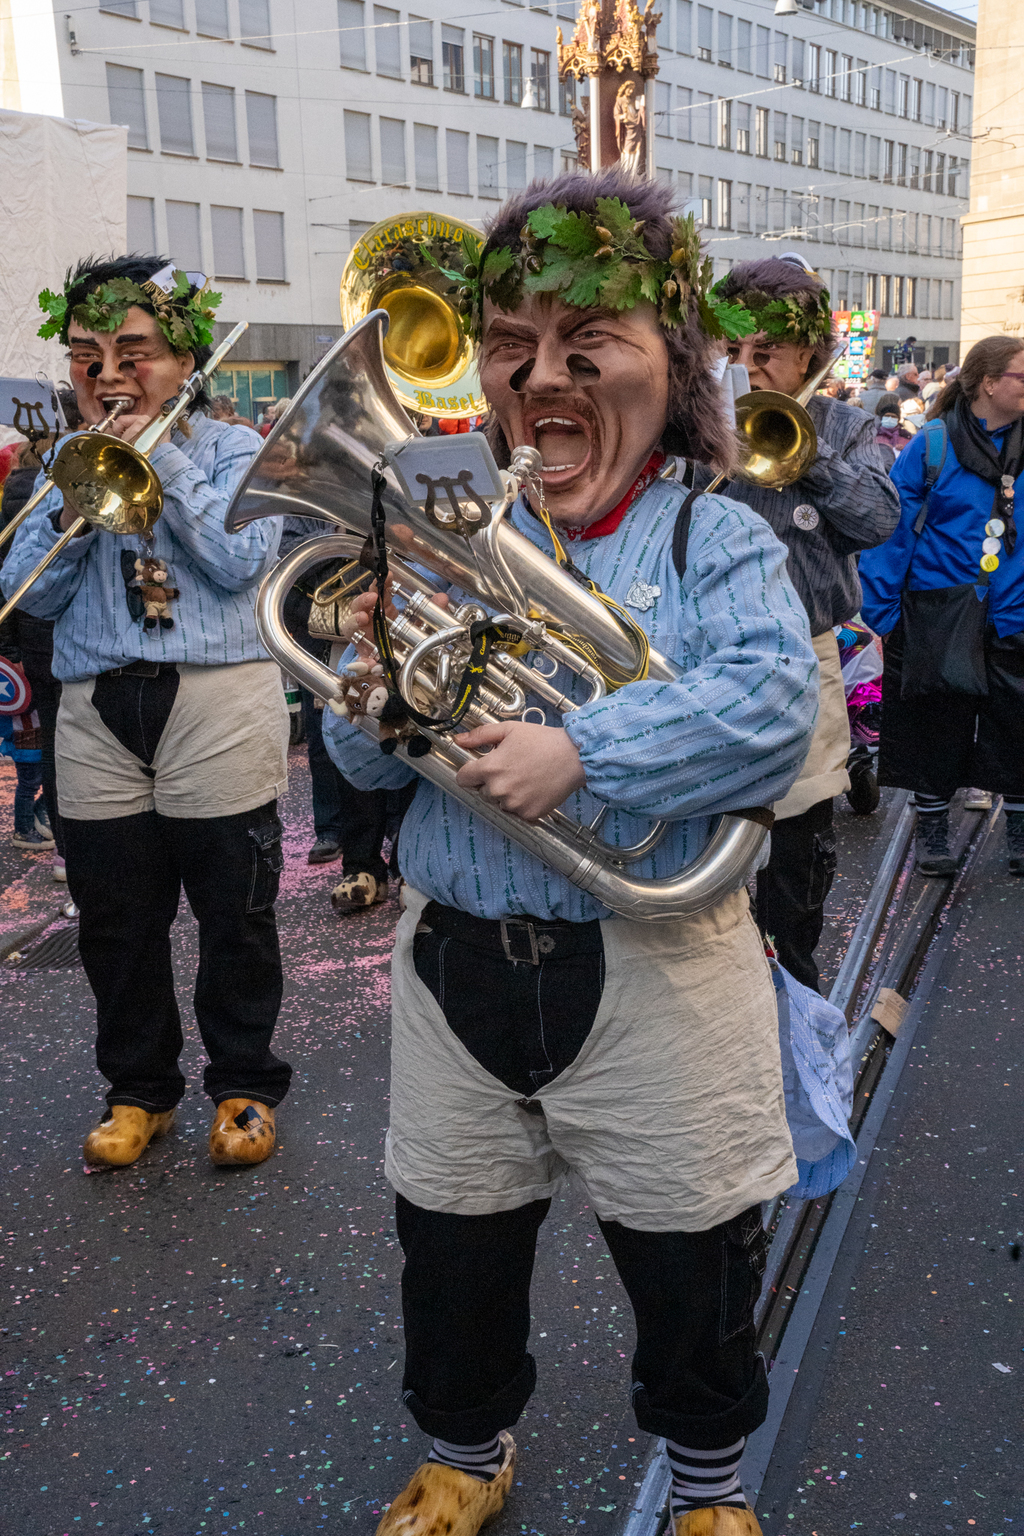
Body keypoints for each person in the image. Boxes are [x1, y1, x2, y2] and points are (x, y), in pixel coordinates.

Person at [323, 170, 819, 1536]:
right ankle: (463, 1453)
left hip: (657, 967)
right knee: (451, 1246)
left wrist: (582, 751)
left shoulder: (712, 530)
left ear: (673, 363)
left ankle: (709, 1485)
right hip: (455, 963)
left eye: (586, 342)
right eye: (512, 345)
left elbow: (773, 707)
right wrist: (375, 681)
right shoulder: (435, 525)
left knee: (692, 1256)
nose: (542, 377)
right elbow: (364, 774)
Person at [1, 255, 292, 1168]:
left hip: (215, 694)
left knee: (234, 912)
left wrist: (154, 455)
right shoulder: (64, 460)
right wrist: (74, 502)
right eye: (87, 356)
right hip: (96, 702)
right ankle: (138, 1091)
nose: (108, 374)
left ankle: (243, 1084)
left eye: (133, 353)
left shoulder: (234, 448)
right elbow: (25, 596)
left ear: (184, 361)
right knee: (114, 920)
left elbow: (240, 563)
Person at [699, 257, 901, 991]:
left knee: (798, 836)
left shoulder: (845, 424)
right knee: (705, 826)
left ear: (809, 354)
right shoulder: (695, 422)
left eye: (767, 352)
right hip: (702, 656)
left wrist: (802, 453)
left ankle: (794, 978)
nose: (746, 367)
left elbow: (878, 521)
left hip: (804, 653)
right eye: (731, 350)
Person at [859, 333, 1024, 877]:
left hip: (1015, 609)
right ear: (988, 383)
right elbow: (891, 531)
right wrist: (884, 614)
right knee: (937, 722)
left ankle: (1020, 828)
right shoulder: (933, 445)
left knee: (1017, 722)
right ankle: (932, 827)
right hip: (940, 609)